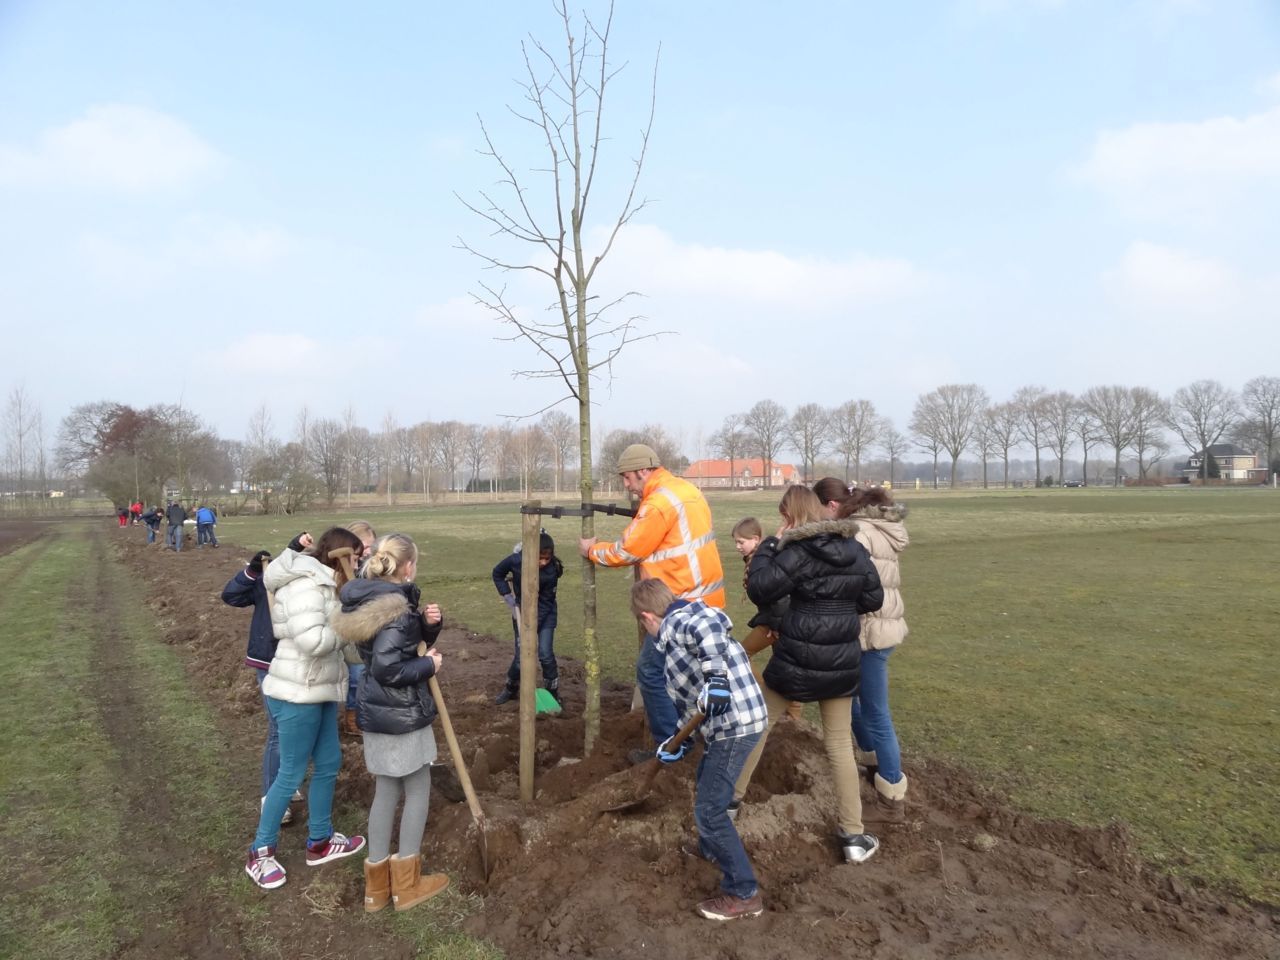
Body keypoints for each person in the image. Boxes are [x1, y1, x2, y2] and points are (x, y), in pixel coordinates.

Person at [731, 486, 885, 864]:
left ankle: (728, 804)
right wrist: (840, 602)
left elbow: (761, 589)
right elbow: (873, 599)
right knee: (838, 746)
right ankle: (853, 835)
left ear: (789, 517)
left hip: (797, 657)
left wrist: (769, 545)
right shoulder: (854, 548)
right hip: (840, 660)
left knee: (759, 726)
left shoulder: (796, 551)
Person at [630, 577, 767, 921]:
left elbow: (710, 625)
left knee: (710, 810)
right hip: (729, 725)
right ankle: (711, 848)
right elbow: (695, 708)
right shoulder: (676, 645)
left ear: (647, 618)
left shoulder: (683, 621)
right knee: (706, 782)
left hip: (736, 726)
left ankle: (743, 892)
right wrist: (676, 742)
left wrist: (716, 680)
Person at [579, 443, 726, 752]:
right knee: (689, 678)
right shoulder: (686, 490)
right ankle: (702, 741)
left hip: (680, 604)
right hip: (707, 601)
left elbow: (628, 550)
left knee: (650, 671)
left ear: (644, 471)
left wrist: (591, 551)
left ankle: (670, 749)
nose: (626, 485)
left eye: (628, 478)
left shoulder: (658, 504)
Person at [332, 533, 450, 913]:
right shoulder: (397, 610)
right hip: (401, 712)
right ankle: (408, 885)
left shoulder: (370, 599)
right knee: (417, 789)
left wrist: (429, 627)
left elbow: (391, 646)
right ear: (409, 566)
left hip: (378, 711)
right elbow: (389, 666)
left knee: (386, 790)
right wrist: (428, 665)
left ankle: (377, 890)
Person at [245, 527, 367, 890]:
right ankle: (260, 852)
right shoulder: (305, 586)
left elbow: (343, 647)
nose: (358, 565)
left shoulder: (331, 587)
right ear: (337, 554)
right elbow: (314, 641)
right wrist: (350, 626)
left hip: (321, 689)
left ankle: (320, 841)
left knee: (329, 763)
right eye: (356, 557)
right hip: (296, 691)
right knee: (291, 772)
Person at [834, 484, 911, 823]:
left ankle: (892, 794)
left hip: (870, 632)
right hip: (883, 627)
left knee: (876, 712)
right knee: (853, 703)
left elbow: (854, 584)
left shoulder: (861, 534)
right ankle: (873, 765)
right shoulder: (886, 531)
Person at [222, 548, 298, 827]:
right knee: (278, 729)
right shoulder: (265, 579)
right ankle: (272, 799)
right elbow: (230, 596)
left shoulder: (306, 583)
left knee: (298, 727)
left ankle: (286, 781)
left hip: (301, 663)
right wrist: (252, 571)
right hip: (268, 663)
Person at [732, 516, 800, 726]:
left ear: (755, 538)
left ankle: (767, 698)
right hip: (775, 621)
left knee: (739, 655)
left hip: (774, 624)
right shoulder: (757, 556)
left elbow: (780, 594)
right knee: (787, 667)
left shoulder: (765, 558)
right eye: (736, 542)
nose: (737, 547)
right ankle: (793, 718)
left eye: (741, 542)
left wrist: (776, 624)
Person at [492, 531, 564, 706]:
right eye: (540, 558)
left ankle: (552, 693)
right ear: (531, 553)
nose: (544, 562)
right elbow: (497, 573)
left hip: (546, 615)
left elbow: (547, 602)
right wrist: (507, 596)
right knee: (521, 657)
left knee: (545, 654)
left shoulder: (552, 570)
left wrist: (531, 626)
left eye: (547, 558)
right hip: (521, 613)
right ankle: (510, 688)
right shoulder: (516, 560)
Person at [340, 521, 378, 737]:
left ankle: (366, 712)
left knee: (368, 672)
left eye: (371, 545)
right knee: (356, 673)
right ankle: (352, 716)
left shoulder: (372, 567)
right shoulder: (345, 569)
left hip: (369, 625)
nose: (367, 551)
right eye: (363, 546)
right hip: (349, 627)